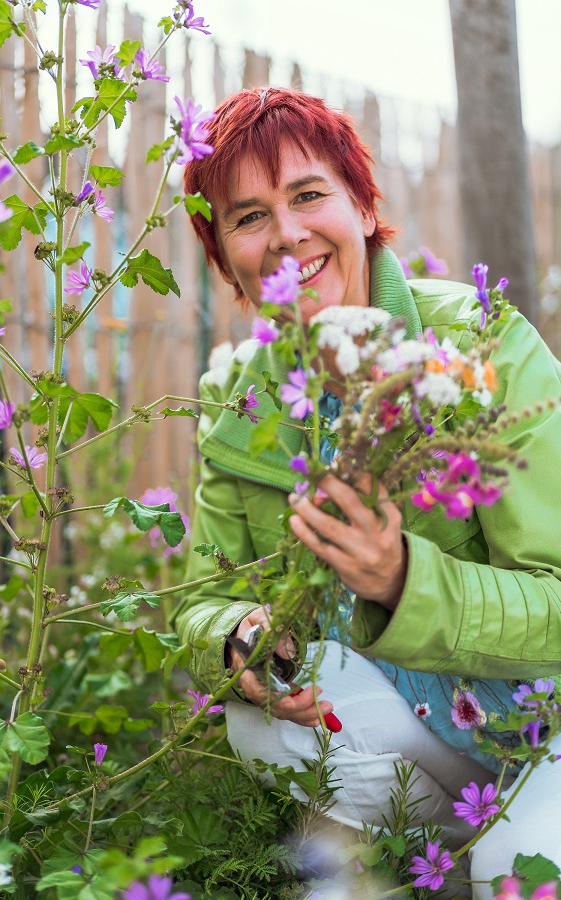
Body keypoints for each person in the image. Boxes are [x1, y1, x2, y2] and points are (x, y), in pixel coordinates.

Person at [172, 87, 561, 896]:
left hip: (544, 720)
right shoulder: (245, 401)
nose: (286, 235)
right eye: (247, 217)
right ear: (223, 253)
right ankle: (440, 854)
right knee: (257, 724)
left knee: (521, 874)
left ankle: (497, 845)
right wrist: (235, 635)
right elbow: (196, 600)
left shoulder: (477, 346)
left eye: (309, 195)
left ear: (360, 201)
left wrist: (402, 583)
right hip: (425, 724)